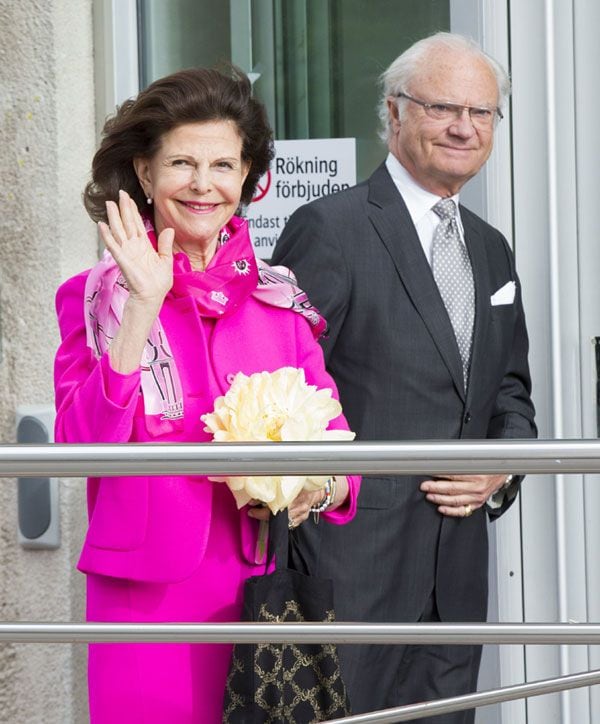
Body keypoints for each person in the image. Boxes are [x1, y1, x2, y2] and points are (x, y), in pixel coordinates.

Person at [53, 67, 360, 723]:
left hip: (258, 589)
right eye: (182, 163)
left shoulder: (281, 299)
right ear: (143, 172)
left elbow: (342, 455)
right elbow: (80, 445)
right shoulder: (96, 296)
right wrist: (143, 304)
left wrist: (318, 485)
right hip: (144, 595)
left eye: (223, 165)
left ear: (247, 180)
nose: (203, 184)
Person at [271, 32, 536, 721]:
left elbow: (509, 390)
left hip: (456, 573)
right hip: (348, 570)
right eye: (443, 107)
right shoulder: (328, 229)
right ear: (394, 114)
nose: (463, 128)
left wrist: (501, 467)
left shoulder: (490, 247)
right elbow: (278, 388)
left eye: (482, 114)